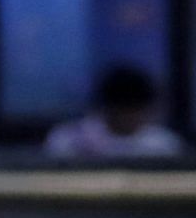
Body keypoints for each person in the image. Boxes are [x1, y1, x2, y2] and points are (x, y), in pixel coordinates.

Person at [46, 65, 184, 160]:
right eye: (123, 110)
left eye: (136, 110)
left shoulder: (163, 145)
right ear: (106, 107)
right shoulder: (70, 139)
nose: (129, 117)